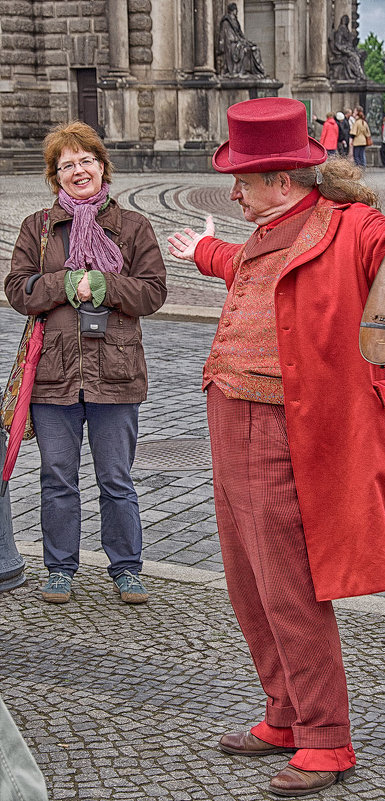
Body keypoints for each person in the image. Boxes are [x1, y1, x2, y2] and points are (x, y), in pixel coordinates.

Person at [167, 97, 385, 798]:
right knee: (248, 583)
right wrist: (200, 250)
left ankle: (326, 738)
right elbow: (241, 263)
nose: (233, 190)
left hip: (289, 431)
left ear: (282, 180)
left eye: (242, 178)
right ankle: (284, 712)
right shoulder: (268, 230)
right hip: (228, 421)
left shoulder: (348, 226)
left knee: (291, 589)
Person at [4, 121, 167, 604]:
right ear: (56, 177)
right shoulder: (38, 227)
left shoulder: (133, 226)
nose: (79, 171)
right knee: (58, 478)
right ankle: (60, 569)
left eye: (86, 161)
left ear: (102, 165)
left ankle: (126, 569)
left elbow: (153, 291)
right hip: (54, 379)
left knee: (117, 478)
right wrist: (66, 283)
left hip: (115, 375)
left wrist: (103, 287)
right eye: (67, 165)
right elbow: (17, 288)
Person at [217, 2, 265, 77]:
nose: (237, 12)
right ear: (233, 10)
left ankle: (257, 71)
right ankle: (239, 71)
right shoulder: (226, 22)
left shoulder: (236, 22)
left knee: (255, 49)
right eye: (236, 10)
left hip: (238, 42)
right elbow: (228, 37)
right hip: (232, 45)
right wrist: (239, 41)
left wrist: (247, 42)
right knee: (244, 50)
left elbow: (241, 34)